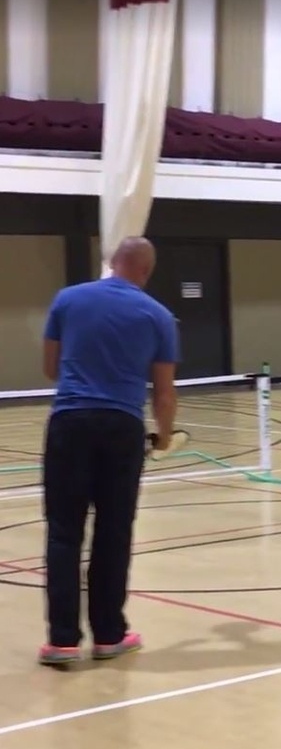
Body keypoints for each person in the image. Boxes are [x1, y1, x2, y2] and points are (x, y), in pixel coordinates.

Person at [38, 236, 179, 666]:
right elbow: (164, 393)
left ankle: (62, 641)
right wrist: (166, 436)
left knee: (64, 533)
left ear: (112, 263)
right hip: (122, 428)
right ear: (146, 271)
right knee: (113, 534)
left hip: (70, 423)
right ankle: (108, 636)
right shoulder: (158, 315)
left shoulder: (67, 299)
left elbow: (50, 368)